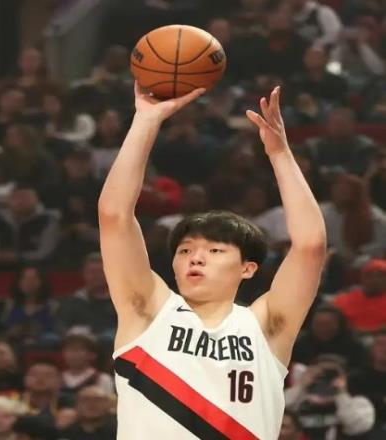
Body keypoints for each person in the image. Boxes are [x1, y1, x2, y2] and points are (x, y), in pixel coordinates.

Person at [98, 83, 327, 439]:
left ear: (247, 268)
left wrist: (280, 154)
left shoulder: (266, 326)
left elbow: (310, 245)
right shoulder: (147, 310)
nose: (196, 258)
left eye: (215, 250)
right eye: (185, 250)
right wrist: (145, 121)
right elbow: (114, 216)